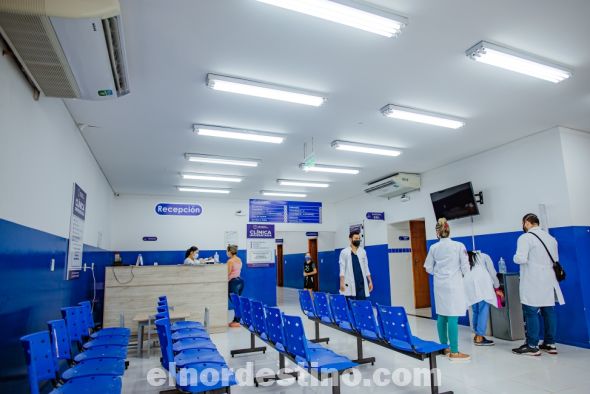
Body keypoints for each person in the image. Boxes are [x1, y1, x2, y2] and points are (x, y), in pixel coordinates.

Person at [512, 213, 565, 356]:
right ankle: (550, 343)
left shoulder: (525, 237)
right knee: (549, 311)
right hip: (549, 279)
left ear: (527, 223)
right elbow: (556, 259)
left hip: (533, 279)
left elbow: (520, 258)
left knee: (530, 311)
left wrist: (515, 257)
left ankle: (532, 345)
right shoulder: (551, 239)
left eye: (523, 223)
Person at [424, 218, 471, 361]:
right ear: (449, 230)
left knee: (442, 315)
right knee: (452, 316)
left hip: (439, 285)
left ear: (437, 233)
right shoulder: (458, 246)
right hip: (454, 285)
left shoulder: (433, 248)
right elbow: (465, 267)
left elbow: (428, 267)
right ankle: (455, 352)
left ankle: (444, 347)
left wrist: (438, 274)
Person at [464, 250, 503, 346]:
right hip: (482, 283)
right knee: (483, 309)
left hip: (468, 283)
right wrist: (497, 287)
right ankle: (480, 337)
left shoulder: (466, 258)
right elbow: (492, 272)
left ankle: (477, 334)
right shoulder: (484, 256)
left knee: (475, 310)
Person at [339, 230, 373, 300]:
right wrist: (341, 282)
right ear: (350, 239)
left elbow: (366, 267)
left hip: (361, 282)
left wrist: (370, 281)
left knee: (361, 304)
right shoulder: (344, 252)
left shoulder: (362, 251)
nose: (358, 240)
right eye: (356, 238)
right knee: (351, 304)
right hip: (349, 282)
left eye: (359, 238)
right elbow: (342, 268)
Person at [227, 244, 244, 328]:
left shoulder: (230, 261)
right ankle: (236, 320)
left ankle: (237, 321)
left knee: (235, 302)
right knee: (237, 302)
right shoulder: (239, 259)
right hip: (240, 281)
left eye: (227, 251)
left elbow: (228, 273)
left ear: (230, 251)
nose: (227, 253)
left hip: (233, 283)